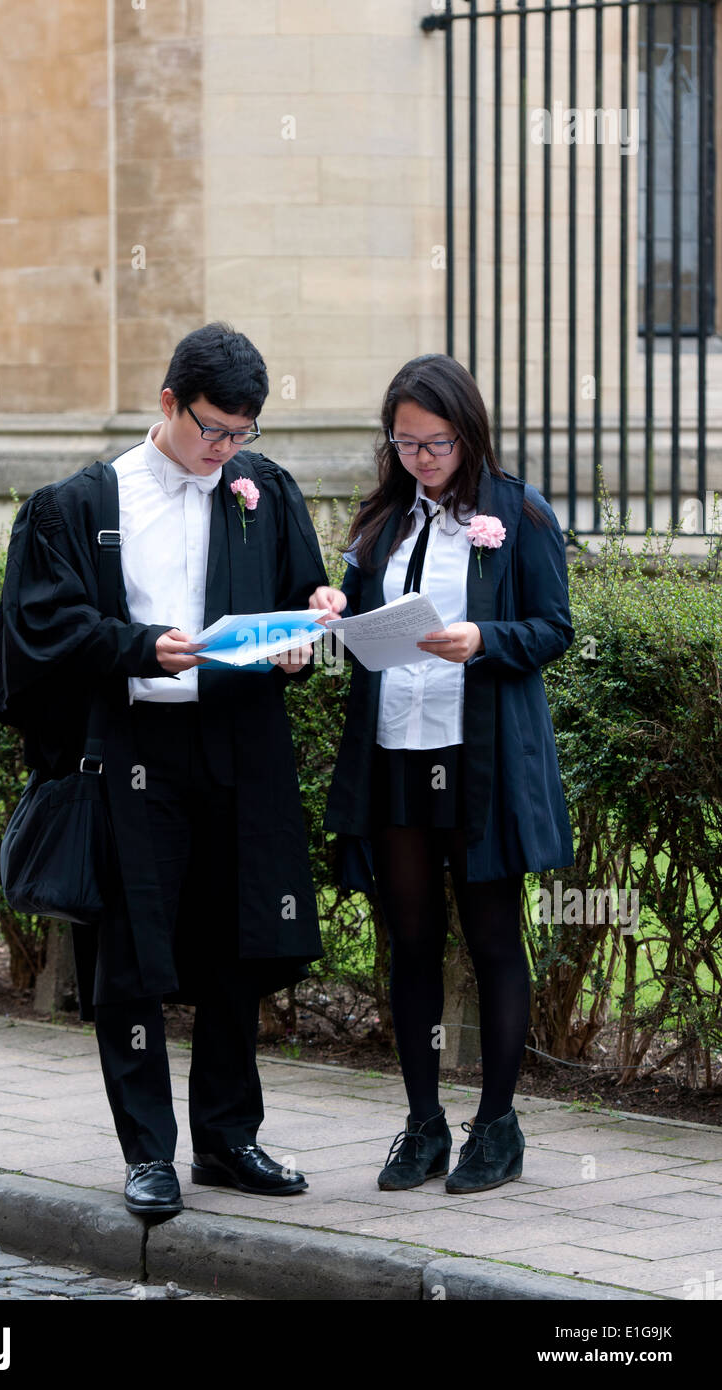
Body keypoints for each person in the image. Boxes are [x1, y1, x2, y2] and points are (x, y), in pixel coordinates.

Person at [0, 322, 329, 1221]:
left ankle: (225, 1138)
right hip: (133, 754)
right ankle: (148, 1153)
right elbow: (42, 631)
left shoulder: (264, 490)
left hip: (238, 749)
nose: (223, 451)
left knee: (234, 948)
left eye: (240, 435)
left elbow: (304, 596)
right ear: (168, 401)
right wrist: (144, 649)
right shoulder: (83, 505)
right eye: (211, 429)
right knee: (131, 960)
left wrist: (306, 633)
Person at [309, 354, 574, 1196]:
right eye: (406, 443)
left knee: (493, 939)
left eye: (436, 443)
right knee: (412, 941)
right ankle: (421, 1123)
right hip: (396, 749)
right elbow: (352, 615)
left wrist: (483, 640)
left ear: (468, 431)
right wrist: (330, 611)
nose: (421, 459)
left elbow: (552, 627)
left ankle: (496, 1126)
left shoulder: (516, 511)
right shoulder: (382, 521)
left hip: (476, 754)